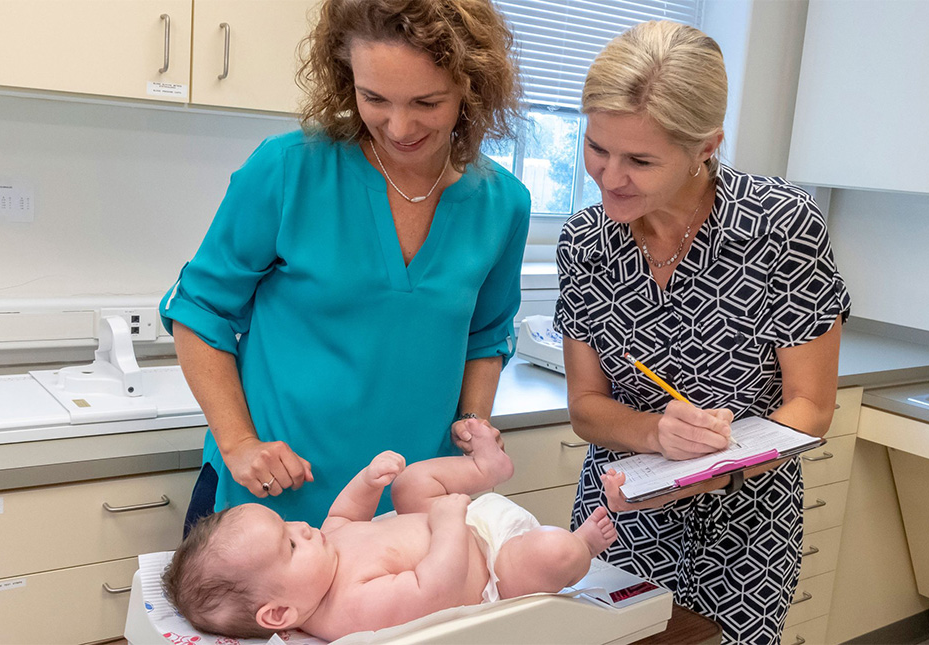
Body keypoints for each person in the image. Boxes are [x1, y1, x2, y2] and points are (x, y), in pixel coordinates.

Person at [160, 0, 529, 535]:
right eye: (373, 97)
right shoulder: (290, 169)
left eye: (426, 101)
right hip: (270, 505)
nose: (398, 126)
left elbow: (486, 336)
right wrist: (239, 442)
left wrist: (473, 429)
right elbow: (199, 311)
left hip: (408, 509)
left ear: (471, 89)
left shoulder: (503, 204)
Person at [554, 20, 851, 644]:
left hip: (747, 525)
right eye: (596, 148)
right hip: (622, 509)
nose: (609, 177)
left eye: (640, 160)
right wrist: (655, 434)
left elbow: (812, 407)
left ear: (705, 147)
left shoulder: (779, 226)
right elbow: (586, 407)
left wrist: (720, 463)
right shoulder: (586, 241)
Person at [162, 421, 617, 641]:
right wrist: (447, 523)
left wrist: (366, 482)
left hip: (452, 519)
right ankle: (584, 545)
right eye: (290, 543)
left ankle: (485, 467)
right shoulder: (347, 608)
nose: (303, 527)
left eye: (288, 525)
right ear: (280, 614)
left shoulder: (323, 554)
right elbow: (433, 587)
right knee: (551, 553)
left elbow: (344, 517)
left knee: (409, 482)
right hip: (490, 565)